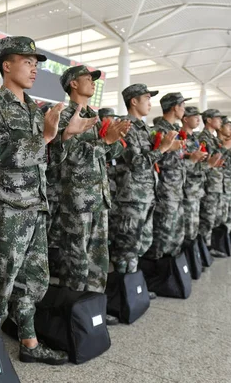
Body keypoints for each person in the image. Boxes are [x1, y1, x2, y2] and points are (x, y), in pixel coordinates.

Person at [0, 36, 95, 365]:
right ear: (7, 65)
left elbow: (46, 159)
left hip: (35, 206)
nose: (34, 69)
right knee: (2, 278)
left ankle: (29, 343)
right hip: (8, 209)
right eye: (27, 62)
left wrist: (64, 137)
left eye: (36, 63)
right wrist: (43, 136)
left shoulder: (34, 109)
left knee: (35, 279)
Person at [54, 65, 128, 297]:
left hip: (99, 196)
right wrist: (105, 142)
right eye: (87, 78)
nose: (92, 82)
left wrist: (114, 139)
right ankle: (73, 309)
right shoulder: (65, 117)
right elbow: (70, 156)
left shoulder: (93, 119)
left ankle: (93, 307)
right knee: (76, 258)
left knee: (98, 256)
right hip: (77, 199)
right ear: (73, 84)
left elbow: (112, 154)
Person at [110, 84, 176, 274]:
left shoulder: (143, 128)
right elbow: (136, 163)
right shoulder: (126, 127)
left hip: (145, 194)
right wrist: (161, 149)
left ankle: (133, 290)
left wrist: (163, 148)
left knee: (141, 243)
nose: (150, 103)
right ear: (134, 101)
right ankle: (123, 293)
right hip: (131, 196)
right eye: (146, 98)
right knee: (127, 247)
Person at [145, 92, 193, 260]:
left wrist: (190, 158)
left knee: (177, 231)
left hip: (177, 188)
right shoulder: (158, 131)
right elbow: (153, 160)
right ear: (175, 107)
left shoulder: (176, 131)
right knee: (163, 230)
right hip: (165, 189)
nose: (184, 110)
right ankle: (157, 267)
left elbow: (177, 160)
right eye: (183, 106)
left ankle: (171, 269)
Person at [197, 109, 231, 257]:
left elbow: (222, 160)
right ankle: (204, 251)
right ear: (209, 120)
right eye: (217, 118)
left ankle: (208, 248)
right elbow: (210, 160)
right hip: (209, 184)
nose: (220, 121)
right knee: (207, 219)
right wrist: (226, 147)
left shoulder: (213, 139)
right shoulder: (203, 138)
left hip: (217, 183)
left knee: (213, 218)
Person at [180, 107, 209, 247]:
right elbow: (177, 165)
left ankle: (193, 256)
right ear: (185, 119)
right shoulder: (180, 139)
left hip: (197, 187)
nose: (198, 119)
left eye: (199, 116)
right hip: (186, 188)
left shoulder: (196, 139)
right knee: (187, 226)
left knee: (194, 224)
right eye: (195, 116)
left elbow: (198, 164)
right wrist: (192, 159)